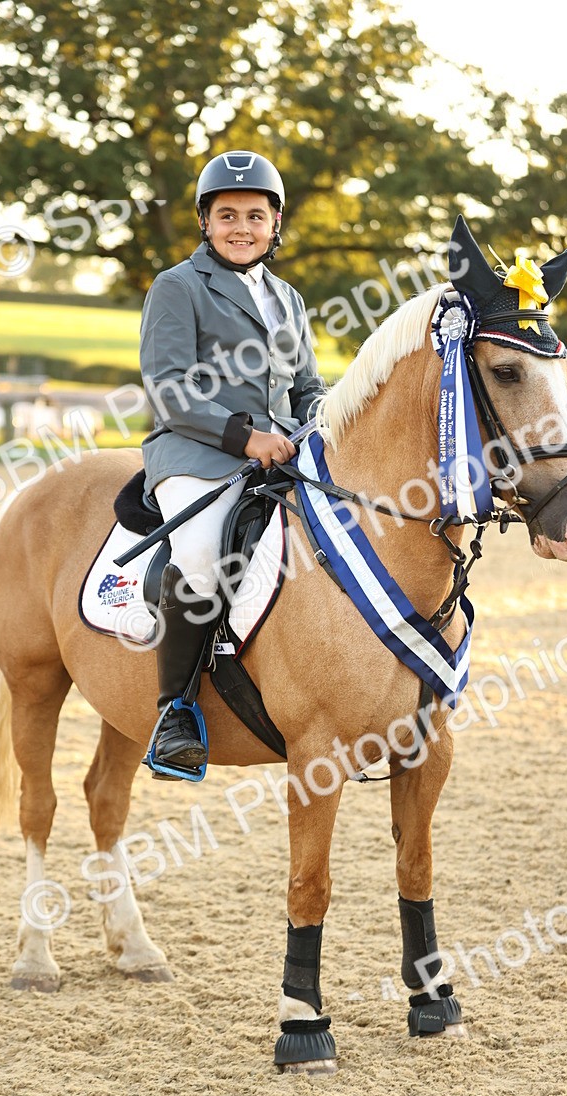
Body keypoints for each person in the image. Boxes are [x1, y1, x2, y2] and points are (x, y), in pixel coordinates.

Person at [140, 150, 325, 773]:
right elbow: (168, 388)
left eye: (254, 215)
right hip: (198, 453)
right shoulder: (178, 286)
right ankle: (176, 712)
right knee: (197, 554)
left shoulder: (289, 298)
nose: (240, 227)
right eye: (226, 215)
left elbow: (307, 386)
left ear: (276, 225)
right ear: (205, 222)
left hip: (280, 456)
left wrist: (323, 422)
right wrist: (246, 439)